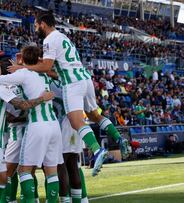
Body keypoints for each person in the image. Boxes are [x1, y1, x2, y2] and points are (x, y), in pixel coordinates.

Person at [8, 11, 129, 176]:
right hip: (85, 79)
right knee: (94, 116)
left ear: (42, 24)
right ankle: (120, 139)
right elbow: (53, 67)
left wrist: (22, 68)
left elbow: (46, 67)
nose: (35, 28)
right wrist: (30, 63)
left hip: (72, 83)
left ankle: (97, 150)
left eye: (36, 25)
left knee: (76, 121)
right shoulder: (63, 37)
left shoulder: (49, 40)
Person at [0, 47, 62, 203]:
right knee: (49, 170)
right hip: (52, 125)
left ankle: (25, 199)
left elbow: (14, 103)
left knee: (18, 172)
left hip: (30, 127)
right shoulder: (44, 75)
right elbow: (21, 105)